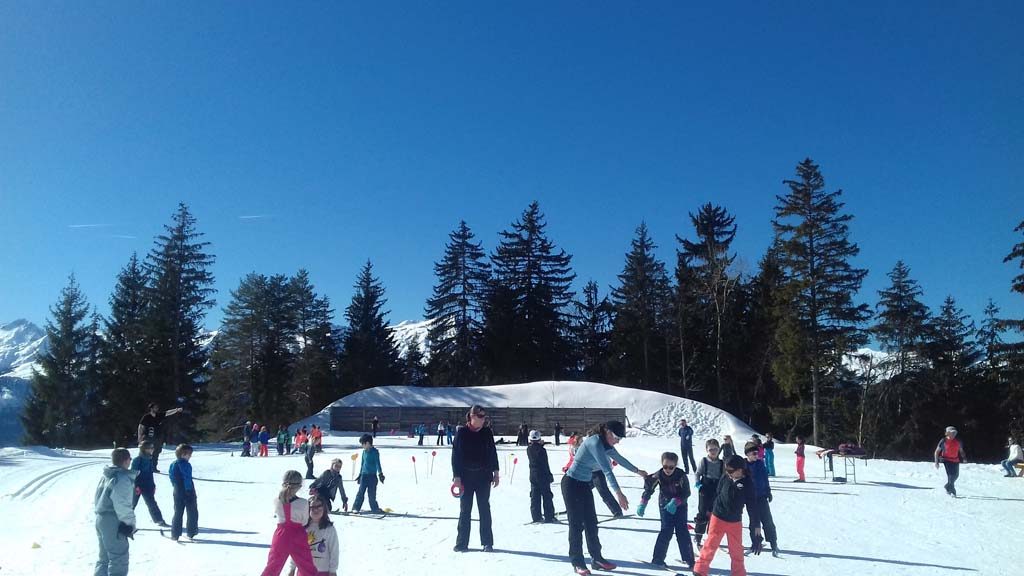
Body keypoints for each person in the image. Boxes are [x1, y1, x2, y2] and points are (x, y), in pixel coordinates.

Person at [562, 420, 648, 575]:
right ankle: (578, 563)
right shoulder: (594, 442)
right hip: (571, 484)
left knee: (591, 523)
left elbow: (620, 459)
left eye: (620, 439)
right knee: (576, 525)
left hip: (584, 485)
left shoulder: (605, 444)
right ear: (607, 432)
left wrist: (638, 471)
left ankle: (597, 559)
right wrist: (619, 493)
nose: (617, 441)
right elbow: (607, 470)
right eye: (616, 437)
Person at [692, 455, 758, 576]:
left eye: (730, 471)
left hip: (734, 521)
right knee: (710, 545)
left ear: (740, 470)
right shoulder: (725, 477)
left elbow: (752, 507)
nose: (728, 473)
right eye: (726, 470)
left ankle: (738, 573)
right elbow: (718, 492)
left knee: (736, 550)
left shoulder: (748, 484)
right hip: (718, 517)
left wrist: (756, 528)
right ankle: (700, 571)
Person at [452, 405, 500, 552]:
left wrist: (496, 472)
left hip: (483, 477)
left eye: (484, 416)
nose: (483, 419)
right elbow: (456, 456)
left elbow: (493, 452)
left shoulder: (487, 432)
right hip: (466, 477)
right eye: (480, 416)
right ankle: (462, 543)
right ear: (472, 417)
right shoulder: (462, 433)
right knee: (465, 510)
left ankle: (487, 542)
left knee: (484, 509)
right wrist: (457, 477)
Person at [638, 452, 695, 570]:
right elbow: (649, 489)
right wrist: (643, 503)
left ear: (675, 465)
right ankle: (658, 558)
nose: (667, 469)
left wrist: (676, 501)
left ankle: (689, 559)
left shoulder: (681, 475)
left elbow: (687, 492)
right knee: (666, 531)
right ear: (661, 464)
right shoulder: (658, 475)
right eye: (665, 466)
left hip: (680, 506)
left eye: (671, 467)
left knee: (682, 531)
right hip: (665, 506)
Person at [260, 470, 319, 576]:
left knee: (273, 566)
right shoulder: (303, 503)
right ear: (299, 486)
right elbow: (304, 521)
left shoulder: (276, 501)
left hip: (281, 534)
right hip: (298, 534)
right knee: (307, 566)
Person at [94, 447, 137, 576]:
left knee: (104, 557)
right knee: (119, 558)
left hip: (101, 518)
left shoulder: (106, 475)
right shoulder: (121, 478)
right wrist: (130, 524)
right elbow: (122, 504)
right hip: (114, 520)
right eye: (130, 459)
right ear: (125, 460)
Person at [286, 494, 339, 576]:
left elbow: (334, 551)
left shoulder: (329, 529)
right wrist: (292, 568)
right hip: (304, 570)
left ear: (324, 508)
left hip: (323, 571)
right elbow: (296, 550)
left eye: (319, 506)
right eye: (312, 507)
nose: (316, 510)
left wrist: (333, 570)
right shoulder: (302, 528)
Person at [744, 441, 778, 556]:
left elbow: (765, 479)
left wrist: (768, 491)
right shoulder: (744, 466)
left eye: (757, 453)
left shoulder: (760, 464)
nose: (756, 455)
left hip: (762, 496)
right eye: (753, 453)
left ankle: (773, 542)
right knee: (754, 522)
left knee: (767, 520)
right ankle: (756, 542)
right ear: (747, 454)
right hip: (750, 499)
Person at [692, 438, 724, 549]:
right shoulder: (704, 461)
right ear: (707, 450)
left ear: (719, 449)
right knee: (703, 512)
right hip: (705, 488)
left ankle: (712, 536)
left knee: (715, 513)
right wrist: (698, 483)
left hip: (717, 489)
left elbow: (724, 476)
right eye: (711, 450)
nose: (713, 452)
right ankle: (698, 535)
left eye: (715, 449)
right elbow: (697, 473)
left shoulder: (721, 463)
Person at [137, 402, 183, 472]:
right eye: (155, 407)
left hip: (157, 437)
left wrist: (176, 410)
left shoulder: (159, 415)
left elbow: (168, 413)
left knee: (156, 452)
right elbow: (140, 427)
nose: (157, 409)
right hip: (148, 437)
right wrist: (139, 437)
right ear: (151, 408)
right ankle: (143, 467)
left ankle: (153, 467)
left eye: (157, 407)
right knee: (145, 452)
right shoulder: (146, 417)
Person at [131, 440, 167, 527]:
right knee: (132, 504)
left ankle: (159, 520)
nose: (152, 450)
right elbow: (133, 474)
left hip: (147, 485)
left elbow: (150, 474)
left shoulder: (150, 459)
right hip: (138, 486)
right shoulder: (138, 460)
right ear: (144, 449)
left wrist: (153, 485)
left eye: (152, 448)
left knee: (151, 503)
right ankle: (123, 521)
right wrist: (136, 486)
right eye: (150, 448)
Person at [168, 444, 198, 542]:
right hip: (186, 490)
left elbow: (171, 476)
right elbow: (187, 478)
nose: (190, 456)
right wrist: (188, 490)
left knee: (178, 511)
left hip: (177, 490)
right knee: (192, 511)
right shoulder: (185, 465)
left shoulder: (173, 464)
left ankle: (175, 533)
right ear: (182, 454)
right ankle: (191, 531)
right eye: (189, 454)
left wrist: (175, 486)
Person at [527, 429, 556, 523]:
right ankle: (549, 516)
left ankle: (536, 516)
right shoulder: (542, 450)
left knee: (535, 496)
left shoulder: (529, 449)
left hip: (533, 475)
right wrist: (549, 475)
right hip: (543, 475)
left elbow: (534, 448)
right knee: (547, 496)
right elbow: (544, 464)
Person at [352, 434, 385, 514]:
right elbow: (362, 464)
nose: (362, 446)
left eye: (362, 444)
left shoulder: (375, 452)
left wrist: (380, 474)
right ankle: (356, 507)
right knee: (360, 492)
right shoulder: (364, 452)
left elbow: (378, 463)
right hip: (364, 475)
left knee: (372, 494)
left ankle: (374, 508)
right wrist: (360, 475)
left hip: (372, 476)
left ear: (367, 443)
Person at [935, 426, 966, 496]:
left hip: (956, 460)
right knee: (951, 476)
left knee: (956, 475)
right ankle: (952, 491)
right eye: (952, 433)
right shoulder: (943, 441)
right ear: (947, 433)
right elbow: (937, 452)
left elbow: (961, 450)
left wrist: (964, 458)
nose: (954, 434)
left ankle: (947, 486)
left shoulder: (958, 441)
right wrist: (936, 462)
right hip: (946, 460)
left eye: (955, 433)